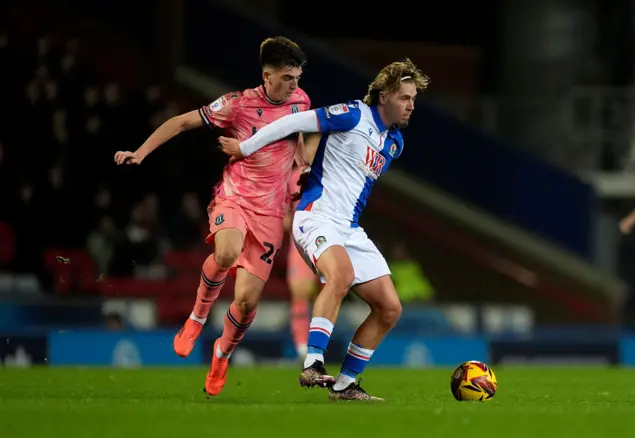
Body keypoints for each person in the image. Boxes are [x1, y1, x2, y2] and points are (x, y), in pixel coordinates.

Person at [114, 36, 317, 397]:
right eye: (288, 78)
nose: (295, 85)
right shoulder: (237, 105)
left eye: (298, 78)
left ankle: (222, 355)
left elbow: (304, 142)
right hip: (234, 198)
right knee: (225, 253)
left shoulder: (300, 103)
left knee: (246, 301)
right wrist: (140, 153)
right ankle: (196, 317)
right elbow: (179, 122)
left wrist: (302, 167)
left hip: (271, 213)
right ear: (267, 76)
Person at [219, 59, 430, 401]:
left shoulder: (394, 143)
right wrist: (245, 148)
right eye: (405, 97)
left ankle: (346, 385)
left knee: (390, 307)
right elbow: (293, 122)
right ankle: (313, 363)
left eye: (413, 100)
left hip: (348, 228)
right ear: (384, 96)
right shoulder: (351, 114)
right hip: (316, 216)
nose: (411, 105)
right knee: (341, 275)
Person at [285, 164, 319, 360]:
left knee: (329, 293)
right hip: (300, 243)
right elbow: (284, 214)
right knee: (300, 294)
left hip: (327, 239)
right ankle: (301, 346)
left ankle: (317, 346)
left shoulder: (331, 170)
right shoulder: (292, 177)